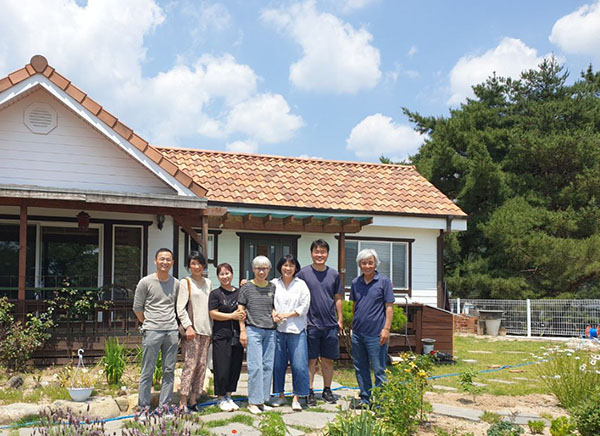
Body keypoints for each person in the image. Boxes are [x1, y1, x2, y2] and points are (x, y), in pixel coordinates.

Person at [296, 239, 344, 405]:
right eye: (316, 252)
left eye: (323, 252)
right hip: (310, 324)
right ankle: (309, 391)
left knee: (328, 360)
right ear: (311, 253)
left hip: (330, 324)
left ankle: (327, 390)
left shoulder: (334, 274)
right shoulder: (303, 274)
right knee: (311, 360)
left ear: (327, 254)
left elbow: (338, 297)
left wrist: (340, 319)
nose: (319, 255)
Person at [132, 247, 180, 413]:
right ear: (155, 261)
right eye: (162, 259)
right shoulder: (145, 282)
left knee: (169, 371)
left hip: (172, 332)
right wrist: (148, 323)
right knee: (147, 370)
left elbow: (178, 307)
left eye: (168, 259)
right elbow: (137, 308)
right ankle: (143, 408)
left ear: (172, 262)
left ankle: (164, 408)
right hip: (152, 330)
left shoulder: (176, 283)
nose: (165, 262)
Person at [349, 248, 395, 409]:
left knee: (379, 369)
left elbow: (389, 307)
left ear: (375, 264)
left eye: (370, 262)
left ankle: (381, 402)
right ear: (359, 265)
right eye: (364, 263)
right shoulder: (356, 283)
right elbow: (355, 305)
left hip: (376, 333)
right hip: (358, 333)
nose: (367, 266)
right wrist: (353, 328)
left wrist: (386, 329)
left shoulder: (384, 281)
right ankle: (365, 398)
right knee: (360, 367)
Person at [270, 254, 311, 411]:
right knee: (278, 365)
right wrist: (273, 312)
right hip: (278, 330)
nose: (288, 268)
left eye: (291, 266)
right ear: (280, 266)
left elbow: (304, 306)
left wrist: (287, 315)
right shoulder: (274, 283)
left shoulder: (301, 285)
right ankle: (279, 394)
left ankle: (297, 396)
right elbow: (268, 301)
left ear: (296, 268)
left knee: (299, 364)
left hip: (296, 329)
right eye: (285, 265)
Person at [238, 255, 277, 415]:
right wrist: (242, 331)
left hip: (270, 330)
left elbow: (273, 307)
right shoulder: (246, 287)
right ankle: (253, 402)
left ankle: (262, 400)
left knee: (268, 366)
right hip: (253, 330)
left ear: (269, 270)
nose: (262, 271)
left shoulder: (273, 287)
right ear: (253, 269)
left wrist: (275, 315)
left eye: (265, 268)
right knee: (255, 367)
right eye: (258, 268)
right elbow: (241, 310)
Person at [176, 251, 212, 412]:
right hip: (192, 331)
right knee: (190, 365)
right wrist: (188, 326)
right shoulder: (186, 282)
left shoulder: (209, 283)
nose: (196, 267)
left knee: (202, 365)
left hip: (206, 330)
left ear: (204, 265)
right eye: (193, 263)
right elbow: (180, 308)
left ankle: (193, 399)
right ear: (189, 266)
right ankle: (182, 401)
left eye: (199, 263)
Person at [209, 263, 246, 412]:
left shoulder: (239, 292)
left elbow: (243, 310)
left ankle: (229, 396)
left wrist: (247, 283)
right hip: (221, 335)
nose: (225, 277)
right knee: (221, 367)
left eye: (227, 273)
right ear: (218, 277)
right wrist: (231, 316)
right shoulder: (215, 294)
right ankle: (220, 397)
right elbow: (213, 313)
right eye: (222, 274)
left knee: (234, 367)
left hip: (236, 335)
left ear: (232, 274)